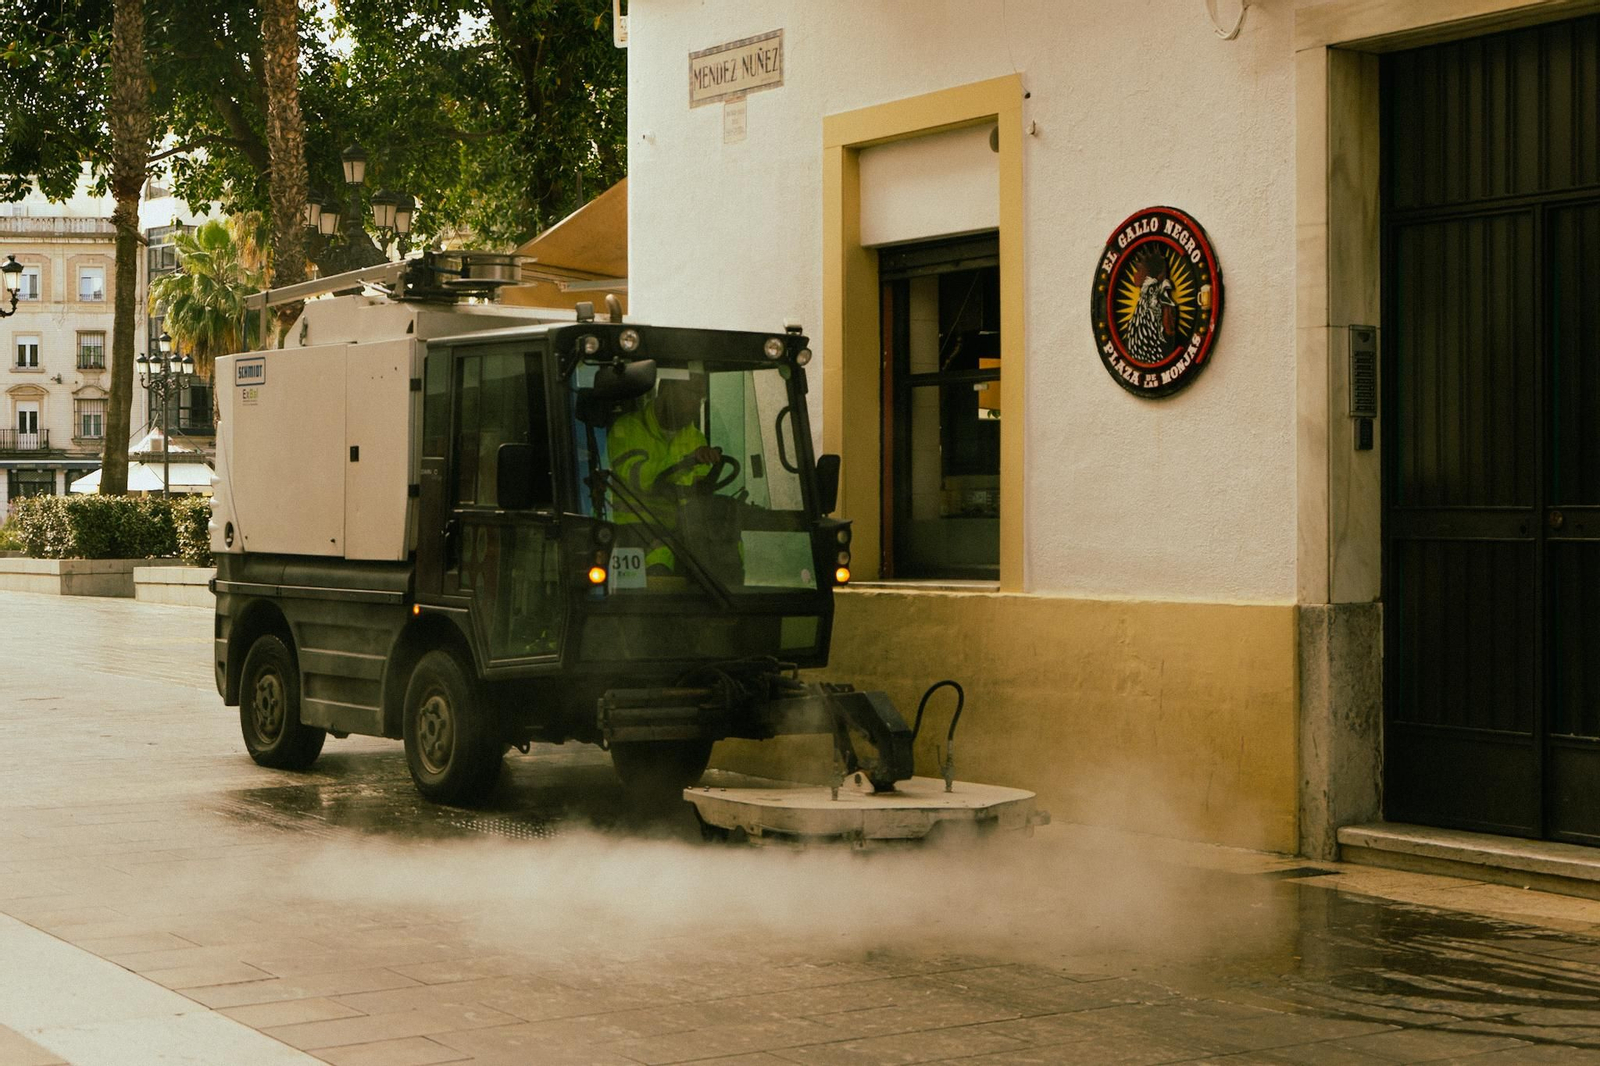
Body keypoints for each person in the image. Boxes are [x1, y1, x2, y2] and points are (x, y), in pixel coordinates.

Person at [608, 375, 722, 574]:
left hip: (678, 528)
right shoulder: (626, 429)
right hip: (631, 527)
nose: (697, 404)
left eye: (701, 397)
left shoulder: (695, 438)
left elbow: (699, 487)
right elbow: (638, 478)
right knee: (662, 553)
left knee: (723, 544)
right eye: (692, 394)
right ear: (666, 390)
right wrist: (686, 461)